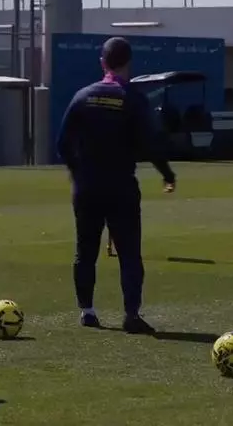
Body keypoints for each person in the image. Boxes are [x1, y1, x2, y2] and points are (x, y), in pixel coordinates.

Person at [57, 37, 176, 334]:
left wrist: (76, 171)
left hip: (86, 187)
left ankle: (87, 311)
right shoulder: (133, 99)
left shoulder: (83, 96)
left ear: (103, 62)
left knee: (85, 249)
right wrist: (167, 173)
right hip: (121, 185)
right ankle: (131, 314)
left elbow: (62, 143)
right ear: (128, 63)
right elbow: (151, 143)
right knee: (128, 252)